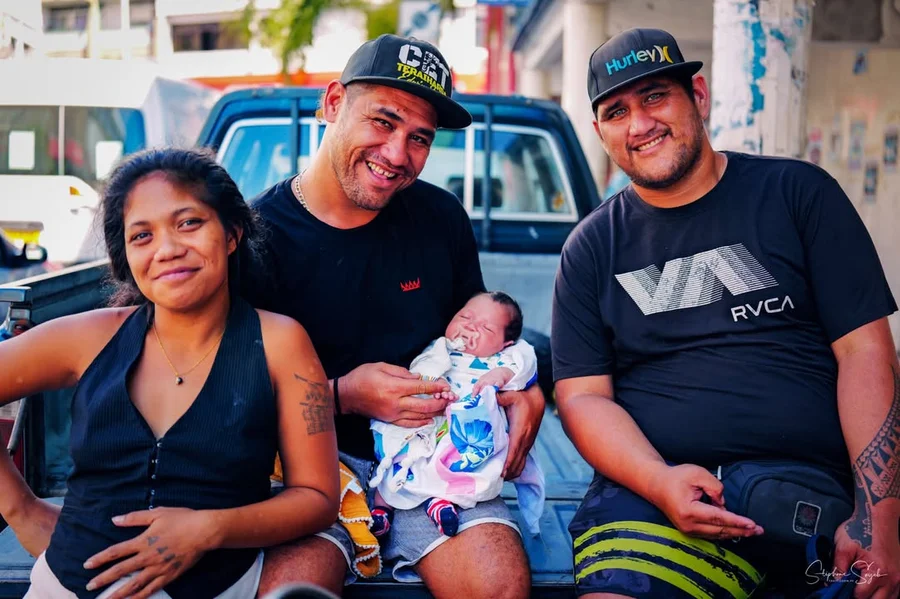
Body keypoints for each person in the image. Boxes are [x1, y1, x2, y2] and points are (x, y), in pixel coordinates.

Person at [552, 27, 900, 598]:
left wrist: (877, 516)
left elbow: (866, 354)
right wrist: (660, 482)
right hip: (648, 494)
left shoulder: (798, 195)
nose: (639, 124)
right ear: (600, 132)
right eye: (617, 111)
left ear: (700, 96)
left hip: (802, 492)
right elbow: (584, 397)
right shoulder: (591, 247)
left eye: (656, 97)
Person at [244, 34, 543, 598]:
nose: (398, 153)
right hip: (310, 468)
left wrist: (524, 391)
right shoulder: (257, 236)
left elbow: (482, 341)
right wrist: (343, 395)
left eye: (419, 138)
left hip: (438, 461)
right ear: (333, 103)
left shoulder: (441, 218)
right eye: (382, 122)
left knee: (500, 586)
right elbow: (227, 399)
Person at [0, 148, 340, 599]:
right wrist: (20, 508)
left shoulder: (279, 342)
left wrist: (208, 529)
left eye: (189, 223)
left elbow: (318, 497)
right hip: (67, 586)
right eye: (142, 235)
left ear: (232, 233)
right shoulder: (90, 337)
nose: (167, 249)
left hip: (224, 587)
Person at [368, 291, 544, 539]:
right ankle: (381, 508)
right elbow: (422, 370)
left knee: (461, 465)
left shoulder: (507, 358)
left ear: (506, 343)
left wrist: (501, 375)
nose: (470, 327)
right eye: (465, 317)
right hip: (430, 419)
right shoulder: (440, 348)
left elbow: (525, 369)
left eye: (486, 328)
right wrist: (433, 383)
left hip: (468, 429)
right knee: (400, 453)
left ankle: (441, 502)